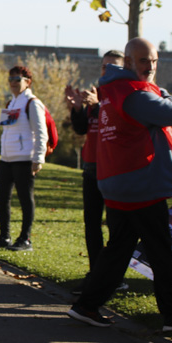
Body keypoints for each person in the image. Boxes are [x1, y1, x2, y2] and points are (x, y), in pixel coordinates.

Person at [68, 37, 172, 333]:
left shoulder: (112, 91)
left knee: (118, 249)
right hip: (141, 184)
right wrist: (162, 92)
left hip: (119, 184)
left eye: (154, 61)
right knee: (160, 252)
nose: (150, 67)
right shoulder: (135, 96)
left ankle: (86, 305)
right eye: (144, 61)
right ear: (128, 62)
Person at [66, 50, 124, 281]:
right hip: (91, 167)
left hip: (113, 170)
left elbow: (120, 123)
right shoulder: (95, 95)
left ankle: (113, 277)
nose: (106, 71)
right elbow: (82, 129)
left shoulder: (123, 96)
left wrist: (99, 105)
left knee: (115, 225)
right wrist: (77, 108)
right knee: (91, 223)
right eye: (103, 66)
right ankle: (96, 272)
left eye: (112, 66)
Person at [0, 65, 46, 252]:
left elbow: (41, 132)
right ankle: (5, 236)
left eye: (17, 79)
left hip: (24, 159)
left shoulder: (32, 103)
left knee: (26, 199)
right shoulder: (11, 103)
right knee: (2, 198)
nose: (12, 83)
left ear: (27, 82)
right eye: (10, 79)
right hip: (6, 159)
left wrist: (38, 158)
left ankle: (25, 239)